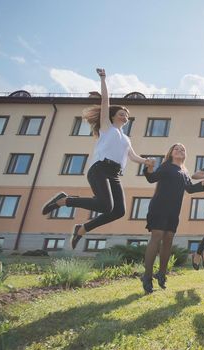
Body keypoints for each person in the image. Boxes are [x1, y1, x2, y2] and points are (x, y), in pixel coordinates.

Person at [41, 68, 150, 249]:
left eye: (127, 115)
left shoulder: (126, 138)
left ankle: (82, 228)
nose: (125, 116)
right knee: (106, 206)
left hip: (114, 173)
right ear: (113, 116)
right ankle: (64, 201)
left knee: (119, 211)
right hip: (100, 169)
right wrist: (103, 79)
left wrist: (146, 161)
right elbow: (105, 101)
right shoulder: (107, 127)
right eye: (122, 113)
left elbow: (132, 156)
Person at [141, 143, 204, 293]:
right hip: (159, 206)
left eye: (182, 149)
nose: (180, 151)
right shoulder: (166, 166)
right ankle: (147, 276)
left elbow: (189, 189)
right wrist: (149, 167)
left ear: (184, 155)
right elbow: (152, 178)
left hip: (173, 211)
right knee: (157, 237)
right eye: (176, 149)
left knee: (168, 239)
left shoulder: (184, 171)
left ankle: (162, 274)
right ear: (171, 153)